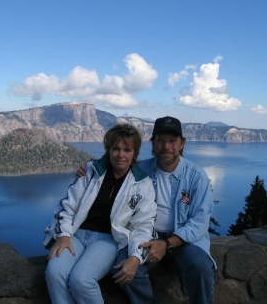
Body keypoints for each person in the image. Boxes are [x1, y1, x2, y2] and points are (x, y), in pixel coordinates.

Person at [77, 116, 216, 304]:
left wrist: (166, 244)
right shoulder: (141, 170)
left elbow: (199, 223)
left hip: (185, 241)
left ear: (181, 144)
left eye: (172, 141)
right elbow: (114, 166)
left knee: (200, 266)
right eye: (161, 141)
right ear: (153, 143)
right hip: (146, 236)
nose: (166, 146)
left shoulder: (196, 177)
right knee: (122, 268)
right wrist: (88, 170)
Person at [45, 123, 157, 304]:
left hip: (107, 240)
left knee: (82, 280)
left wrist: (136, 257)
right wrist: (64, 235)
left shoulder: (142, 185)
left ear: (134, 153)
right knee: (54, 273)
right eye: (116, 149)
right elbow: (68, 204)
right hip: (76, 234)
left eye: (127, 150)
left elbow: (143, 226)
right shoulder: (91, 171)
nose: (121, 155)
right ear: (108, 150)